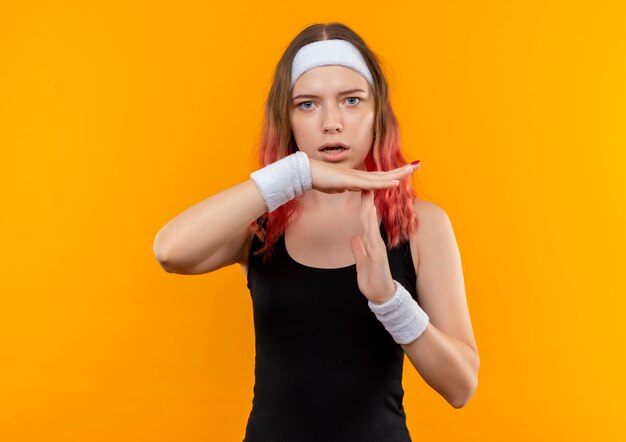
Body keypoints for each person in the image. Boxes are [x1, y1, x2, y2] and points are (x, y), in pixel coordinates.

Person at [153, 22, 479, 442]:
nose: (331, 123)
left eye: (351, 100)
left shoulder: (421, 225)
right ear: (286, 118)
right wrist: (292, 176)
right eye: (307, 105)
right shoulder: (259, 223)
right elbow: (169, 250)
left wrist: (389, 299)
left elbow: (461, 386)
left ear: (377, 110)